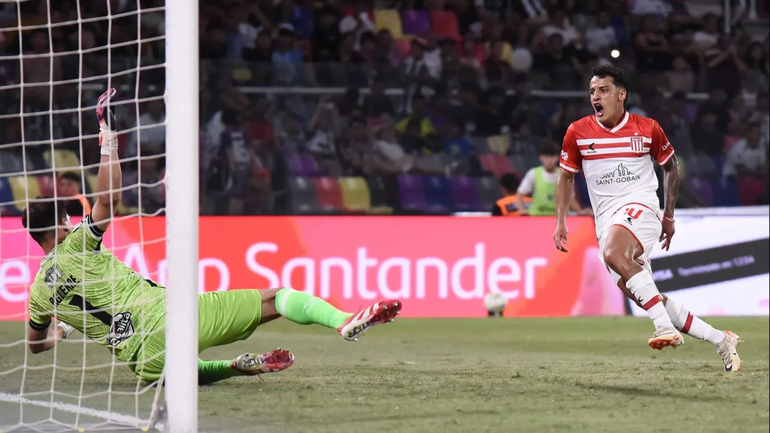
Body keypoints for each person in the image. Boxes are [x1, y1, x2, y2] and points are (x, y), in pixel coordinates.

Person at [23, 90, 403, 385]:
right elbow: (109, 201)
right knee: (277, 298)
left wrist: (59, 329)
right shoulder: (76, 245)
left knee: (178, 371)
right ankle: (342, 321)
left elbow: (34, 346)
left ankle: (232, 367)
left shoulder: (38, 291)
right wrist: (108, 137)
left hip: (142, 361)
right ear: (59, 226)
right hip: (170, 317)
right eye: (68, 221)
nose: (73, 225)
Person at [553, 66, 742, 372]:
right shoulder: (578, 131)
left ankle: (663, 327)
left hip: (641, 208)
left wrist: (668, 215)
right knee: (645, 295)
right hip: (606, 222)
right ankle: (722, 339)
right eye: (592, 92)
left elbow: (671, 168)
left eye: (603, 90)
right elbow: (565, 178)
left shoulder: (647, 128)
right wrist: (560, 220)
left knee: (615, 253)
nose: (596, 97)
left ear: (621, 94)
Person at [516, 143, 592, 216]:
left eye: (552, 156)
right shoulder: (533, 173)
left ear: (558, 157)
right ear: (541, 157)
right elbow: (519, 194)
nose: (549, 160)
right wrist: (521, 209)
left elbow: (569, 198)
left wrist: (580, 211)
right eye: (546, 157)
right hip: (537, 217)